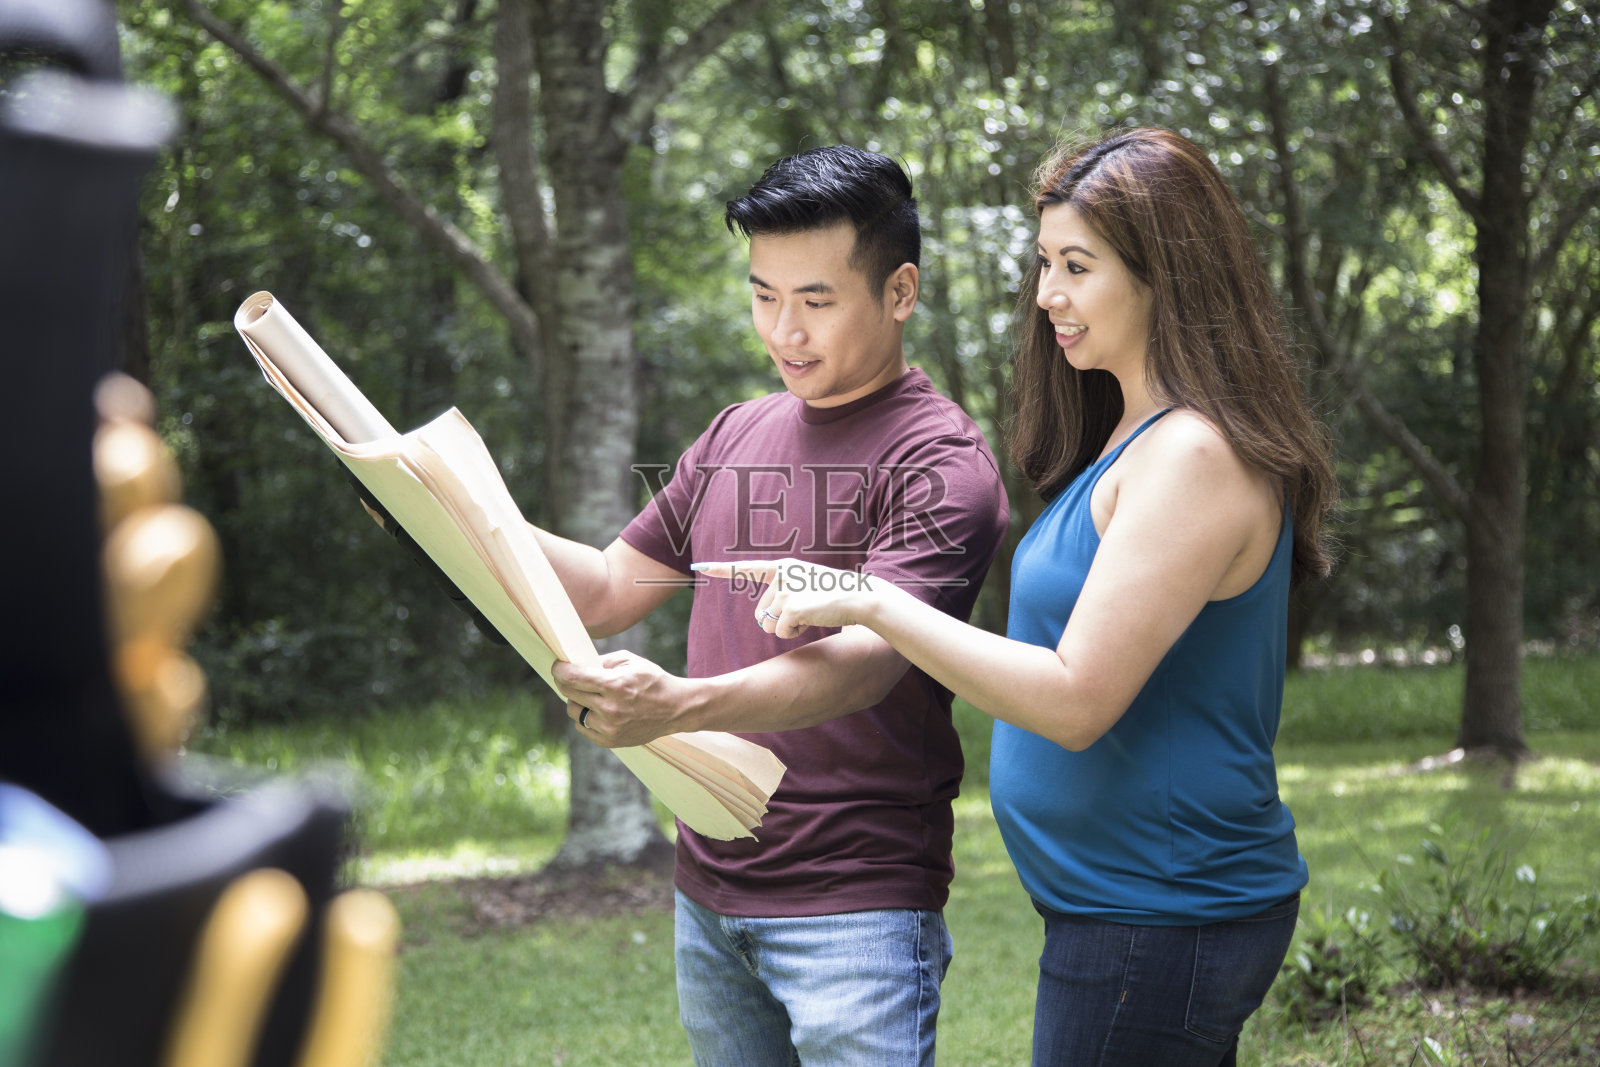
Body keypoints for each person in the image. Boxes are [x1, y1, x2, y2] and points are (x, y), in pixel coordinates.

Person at [698, 127, 1338, 1066]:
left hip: (1162, 912)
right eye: (1045, 263)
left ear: (1167, 274)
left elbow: (1075, 698)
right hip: (1127, 911)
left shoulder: (1193, 455)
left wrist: (870, 600)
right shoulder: (1134, 436)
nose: (1046, 295)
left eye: (1076, 266)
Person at [537, 145, 1010, 1066]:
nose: (784, 331)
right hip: (709, 893)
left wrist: (681, 705)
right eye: (763, 295)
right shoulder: (736, 431)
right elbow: (607, 587)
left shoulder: (940, 464)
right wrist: (450, 509)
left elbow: (865, 666)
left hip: (857, 908)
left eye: (816, 301)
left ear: (901, 292)